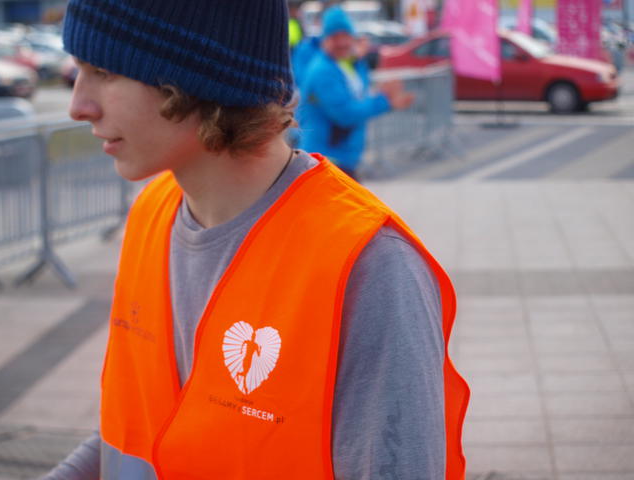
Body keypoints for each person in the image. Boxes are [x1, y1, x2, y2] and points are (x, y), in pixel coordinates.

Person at [45, 0, 469, 479]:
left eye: (103, 71)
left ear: (193, 76)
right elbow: (134, 424)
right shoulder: (152, 213)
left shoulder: (367, 267)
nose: (78, 106)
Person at [298, 6, 414, 180]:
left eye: (345, 36)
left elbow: (358, 97)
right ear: (325, 40)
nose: (342, 42)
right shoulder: (323, 71)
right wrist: (384, 101)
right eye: (335, 37)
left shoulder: (348, 64)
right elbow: (345, 114)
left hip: (341, 159)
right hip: (326, 161)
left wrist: (381, 96)